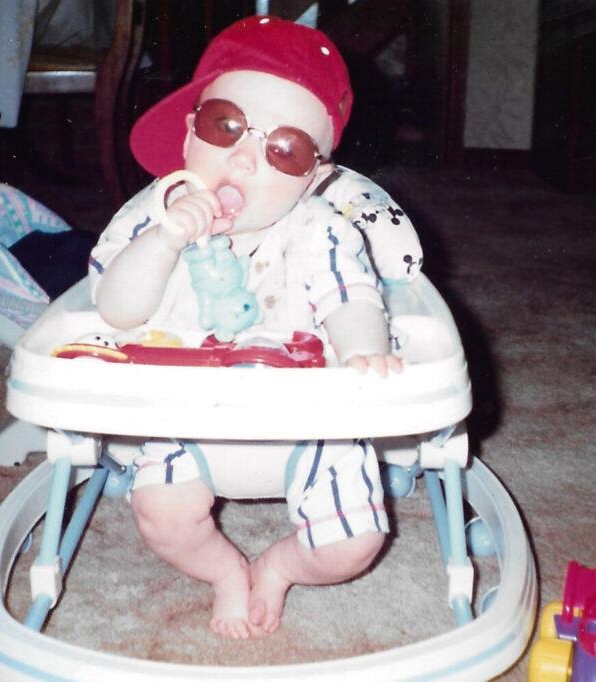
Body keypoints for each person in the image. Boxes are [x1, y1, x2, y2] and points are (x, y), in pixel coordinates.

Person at [88, 16, 408, 639]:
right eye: (225, 125)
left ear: (314, 177)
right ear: (188, 135)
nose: (243, 156)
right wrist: (169, 237)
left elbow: (351, 296)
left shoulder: (320, 229)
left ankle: (281, 567)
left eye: (282, 148)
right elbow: (115, 309)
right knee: (161, 515)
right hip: (185, 419)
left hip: (311, 425)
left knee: (354, 544)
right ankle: (225, 570)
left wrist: (364, 349)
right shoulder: (152, 219)